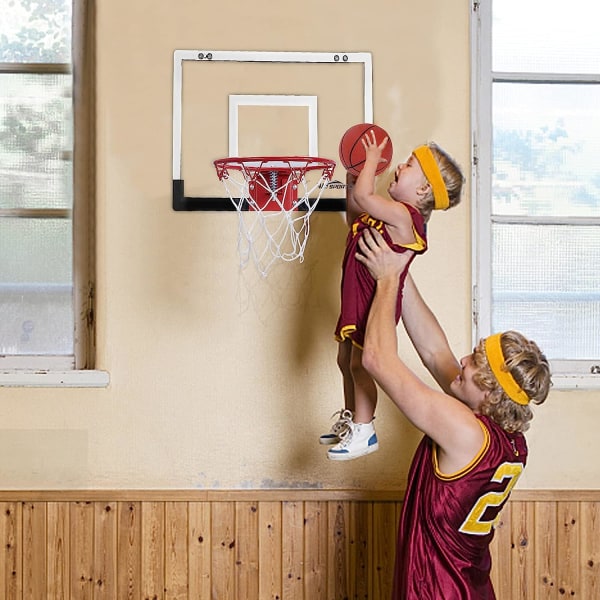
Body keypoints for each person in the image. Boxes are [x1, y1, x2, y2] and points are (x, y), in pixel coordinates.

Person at [356, 227, 552, 599]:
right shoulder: (505, 438)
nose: (463, 360)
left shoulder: (465, 431)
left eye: (475, 362)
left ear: (491, 391)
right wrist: (400, 269)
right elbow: (434, 352)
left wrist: (384, 282)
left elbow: (376, 359)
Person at [323, 130, 464, 460]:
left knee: (360, 364)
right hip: (357, 294)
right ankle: (351, 419)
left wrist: (370, 163)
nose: (398, 167)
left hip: (373, 301)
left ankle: (365, 428)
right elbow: (356, 215)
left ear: (423, 189)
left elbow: (364, 198)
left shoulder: (403, 217)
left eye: (408, 165)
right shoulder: (390, 215)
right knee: (345, 360)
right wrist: (353, 173)